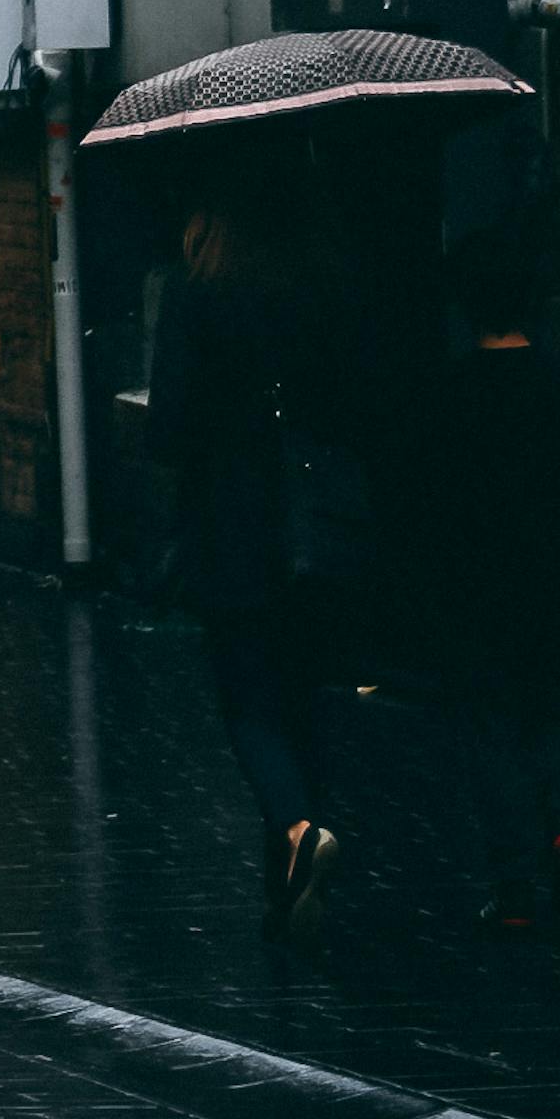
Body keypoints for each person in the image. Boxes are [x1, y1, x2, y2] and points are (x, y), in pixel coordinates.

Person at [145, 166, 364, 941]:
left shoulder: (195, 288)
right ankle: (288, 886)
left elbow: (166, 427)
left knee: (247, 700)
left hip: (229, 522)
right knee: (303, 699)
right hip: (313, 522)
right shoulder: (326, 282)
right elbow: (352, 401)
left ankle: (298, 834)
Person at [426, 227, 560, 929]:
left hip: (476, 589)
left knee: (489, 726)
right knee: (556, 708)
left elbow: (433, 504)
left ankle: (513, 885)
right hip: (551, 581)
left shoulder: (452, 394)